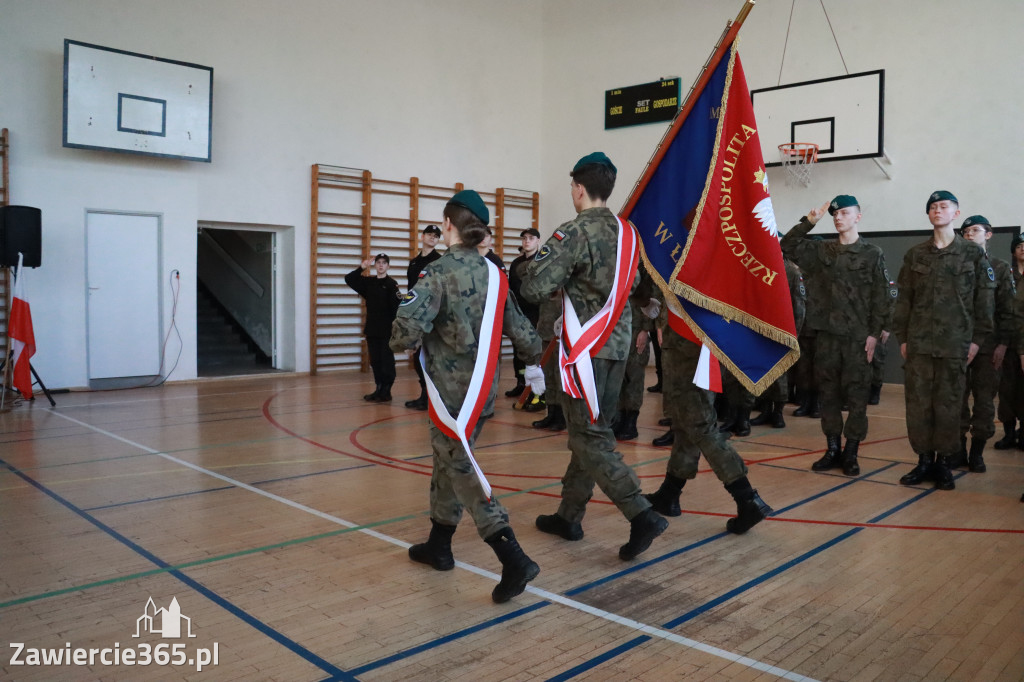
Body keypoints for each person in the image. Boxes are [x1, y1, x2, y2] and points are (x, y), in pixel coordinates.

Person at [390, 189, 545, 604]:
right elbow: (525, 333)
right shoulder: (496, 274)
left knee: (460, 468)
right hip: (482, 393)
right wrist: (534, 366)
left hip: (448, 396)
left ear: (448, 226)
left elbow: (403, 334)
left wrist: (404, 331)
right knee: (449, 462)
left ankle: (512, 555)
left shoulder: (436, 273)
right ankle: (440, 544)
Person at [521, 152, 668, 561]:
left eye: (571, 186)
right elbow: (638, 284)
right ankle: (569, 515)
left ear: (580, 189)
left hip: (584, 351)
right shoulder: (629, 233)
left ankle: (640, 513)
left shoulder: (573, 233)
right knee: (590, 431)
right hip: (617, 347)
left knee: (589, 436)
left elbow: (534, 288)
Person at [781, 196, 892, 475]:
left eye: (845, 213)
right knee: (827, 396)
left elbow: (881, 297)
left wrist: (873, 335)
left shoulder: (872, 253)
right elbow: (787, 245)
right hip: (827, 337)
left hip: (857, 339)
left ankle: (851, 452)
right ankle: (832, 449)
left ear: (858, 216)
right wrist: (810, 221)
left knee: (856, 399)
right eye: (835, 214)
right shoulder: (824, 251)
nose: (839, 217)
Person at [894, 191, 995, 491]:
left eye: (944, 206)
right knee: (919, 405)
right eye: (933, 207)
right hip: (920, 345)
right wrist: (903, 337)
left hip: (956, 344)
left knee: (949, 406)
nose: (938, 211)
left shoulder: (973, 254)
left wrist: (977, 340)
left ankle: (943, 464)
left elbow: (984, 302)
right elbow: (904, 300)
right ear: (928, 215)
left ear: (955, 212)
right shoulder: (916, 255)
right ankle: (924, 460)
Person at [641, 321, 774, 535]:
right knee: (686, 420)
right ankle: (670, 493)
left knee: (701, 425)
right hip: (696, 339)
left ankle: (747, 498)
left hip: (690, 341)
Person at [956, 215, 1014, 472]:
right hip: (956, 344)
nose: (969, 234)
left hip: (988, 347)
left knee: (984, 401)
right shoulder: (954, 266)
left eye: (975, 230)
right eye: (966, 231)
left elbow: (1007, 311)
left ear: (988, 234)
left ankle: (977, 453)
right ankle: (957, 451)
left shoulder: (1000, 268)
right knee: (956, 399)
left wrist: (1002, 344)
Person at [750, 258, 806, 428]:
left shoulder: (791, 271)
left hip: (782, 330)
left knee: (780, 375)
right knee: (764, 372)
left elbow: (799, 305)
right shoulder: (757, 264)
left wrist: (793, 334)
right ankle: (766, 410)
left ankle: (778, 412)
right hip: (760, 328)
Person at [345, 253, 400, 402]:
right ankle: (379, 388)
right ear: (375, 265)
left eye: (384, 263)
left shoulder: (392, 285)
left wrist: (397, 332)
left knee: (386, 361)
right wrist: (362, 267)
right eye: (378, 262)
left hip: (387, 331)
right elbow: (349, 279)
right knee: (375, 361)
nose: (381, 265)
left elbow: (396, 311)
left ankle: (387, 390)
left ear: (388, 266)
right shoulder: (369, 283)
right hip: (372, 329)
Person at [613, 266, 659, 441]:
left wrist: (645, 329)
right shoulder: (618, 254)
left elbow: (651, 296)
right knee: (618, 374)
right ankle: (618, 417)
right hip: (616, 324)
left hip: (636, 326)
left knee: (634, 374)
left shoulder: (643, 260)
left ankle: (631, 421)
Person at [403, 224, 443, 410]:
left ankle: (433, 398)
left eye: (436, 236)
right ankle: (423, 395)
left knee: (431, 357)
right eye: (429, 234)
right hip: (415, 316)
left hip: (431, 316)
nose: (432, 238)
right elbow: (411, 290)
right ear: (422, 236)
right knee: (418, 358)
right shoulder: (414, 262)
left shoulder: (439, 261)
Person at [995, 233, 1024, 449]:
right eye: (1019, 246)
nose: (1023, 249)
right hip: (1006, 341)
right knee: (1006, 389)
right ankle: (1008, 433)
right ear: (1013, 251)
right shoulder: (1006, 274)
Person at [506, 228, 543, 398]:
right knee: (518, 350)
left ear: (538, 241)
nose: (527, 241)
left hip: (537, 314)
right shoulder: (515, 264)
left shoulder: (542, 262)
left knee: (535, 351)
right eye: (524, 238)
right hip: (519, 313)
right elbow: (511, 290)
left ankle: (536, 390)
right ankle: (521, 383)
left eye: (531, 238)